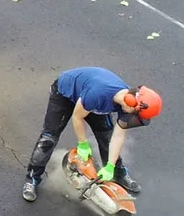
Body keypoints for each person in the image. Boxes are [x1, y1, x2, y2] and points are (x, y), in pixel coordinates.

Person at [22, 67, 161, 202]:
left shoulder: (129, 102)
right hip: (65, 94)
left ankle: (118, 173)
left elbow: (118, 136)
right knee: (49, 138)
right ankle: (32, 179)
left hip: (90, 99)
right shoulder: (99, 95)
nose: (133, 118)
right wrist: (83, 144)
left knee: (106, 137)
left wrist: (110, 166)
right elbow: (77, 117)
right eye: (135, 114)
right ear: (130, 102)